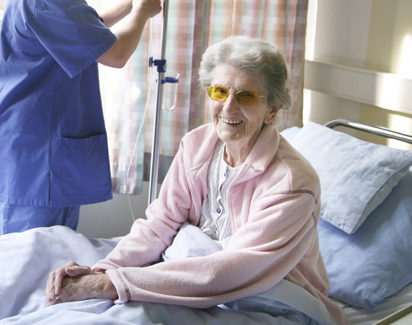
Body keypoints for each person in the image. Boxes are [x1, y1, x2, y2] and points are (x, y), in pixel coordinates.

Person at [45, 35, 348, 325]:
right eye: (219, 91)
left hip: (274, 299)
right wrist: (105, 268)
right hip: (201, 283)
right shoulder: (197, 145)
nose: (228, 107)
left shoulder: (292, 184)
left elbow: (230, 272)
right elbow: (159, 225)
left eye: (246, 96)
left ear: (272, 110)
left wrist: (110, 284)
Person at [0, 0, 164, 239]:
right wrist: (142, 14)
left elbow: (88, 26)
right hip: (38, 156)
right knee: (29, 265)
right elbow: (113, 54)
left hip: (38, 149)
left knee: (51, 262)